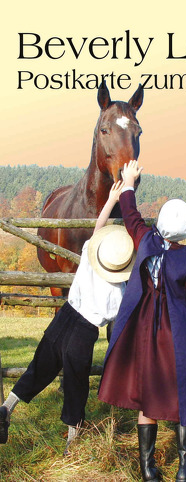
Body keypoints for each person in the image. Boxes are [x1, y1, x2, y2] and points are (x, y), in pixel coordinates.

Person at [98, 161, 186, 482]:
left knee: (148, 397)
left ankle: (148, 470)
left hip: (147, 334)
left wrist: (129, 181)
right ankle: (184, 470)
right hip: (181, 336)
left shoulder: (146, 240)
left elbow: (130, 211)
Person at [0, 181, 136, 455]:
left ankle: (6, 409)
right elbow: (120, 322)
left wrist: (110, 200)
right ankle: (71, 442)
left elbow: (98, 229)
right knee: (76, 385)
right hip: (84, 332)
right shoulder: (121, 292)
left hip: (63, 317)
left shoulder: (88, 255)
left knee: (39, 366)